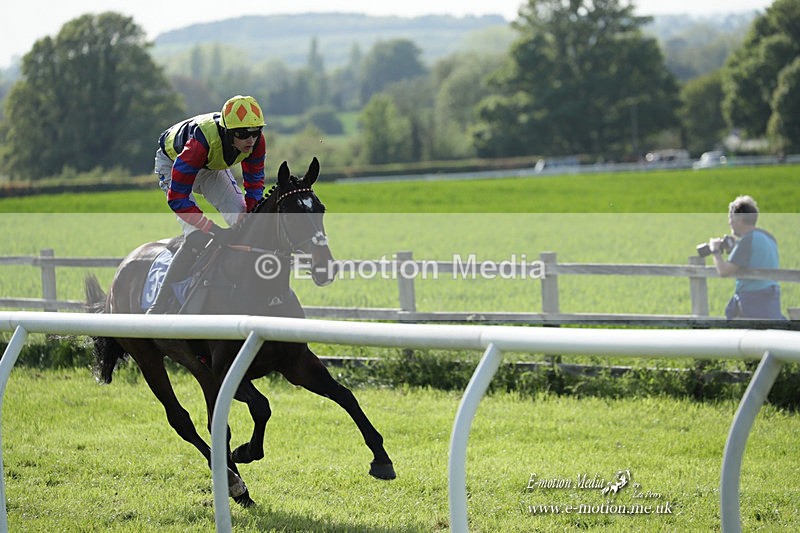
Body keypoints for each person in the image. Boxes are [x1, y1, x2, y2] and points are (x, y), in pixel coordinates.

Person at [147, 95, 267, 314]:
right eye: (243, 134)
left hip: (211, 166)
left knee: (244, 221)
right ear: (228, 133)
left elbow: (254, 182)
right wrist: (211, 229)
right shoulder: (198, 144)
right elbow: (178, 199)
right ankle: (159, 304)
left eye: (256, 132)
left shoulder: (257, 142)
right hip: (175, 162)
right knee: (197, 236)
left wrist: (250, 212)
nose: (251, 140)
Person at [707, 195, 786, 320]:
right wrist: (733, 250)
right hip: (771, 297)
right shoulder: (769, 237)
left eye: (730, 218)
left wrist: (715, 250)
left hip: (752, 300)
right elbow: (756, 260)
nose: (729, 223)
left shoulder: (747, 240)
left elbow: (724, 271)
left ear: (739, 219)